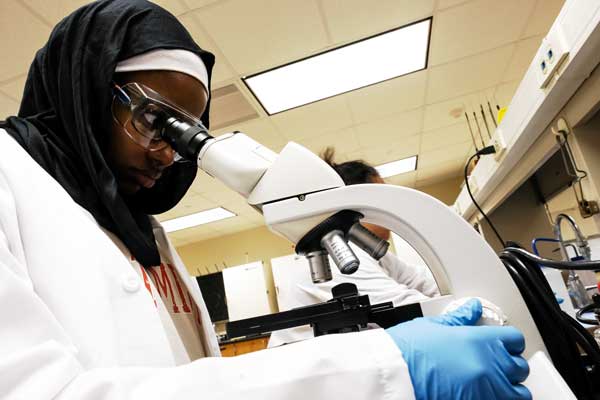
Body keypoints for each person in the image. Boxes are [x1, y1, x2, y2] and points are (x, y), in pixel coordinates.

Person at [0, 1, 531, 399]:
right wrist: (383, 367)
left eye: (184, 132)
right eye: (152, 120)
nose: (166, 154)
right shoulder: (8, 177)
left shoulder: (141, 229)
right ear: (86, 88)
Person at [269, 149, 441, 347]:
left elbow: (422, 281)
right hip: (312, 370)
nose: (390, 206)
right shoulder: (337, 255)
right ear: (360, 201)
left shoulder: (369, 250)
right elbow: (411, 308)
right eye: (383, 197)